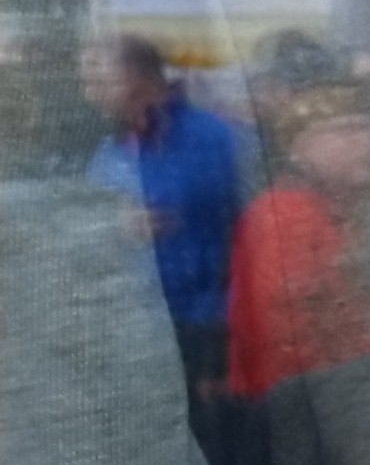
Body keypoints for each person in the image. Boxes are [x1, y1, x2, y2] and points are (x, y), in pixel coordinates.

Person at [80, 30, 254, 403]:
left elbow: (243, 227)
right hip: (145, 327)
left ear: (143, 79)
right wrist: (113, 228)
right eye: (87, 83)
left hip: (212, 325)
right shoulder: (110, 152)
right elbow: (94, 241)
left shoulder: (212, 137)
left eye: (101, 82)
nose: (90, 95)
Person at [226, 70, 370, 396]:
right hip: (329, 399)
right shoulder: (284, 218)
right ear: (300, 149)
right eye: (347, 131)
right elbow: (288, 340)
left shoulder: (346, 208)